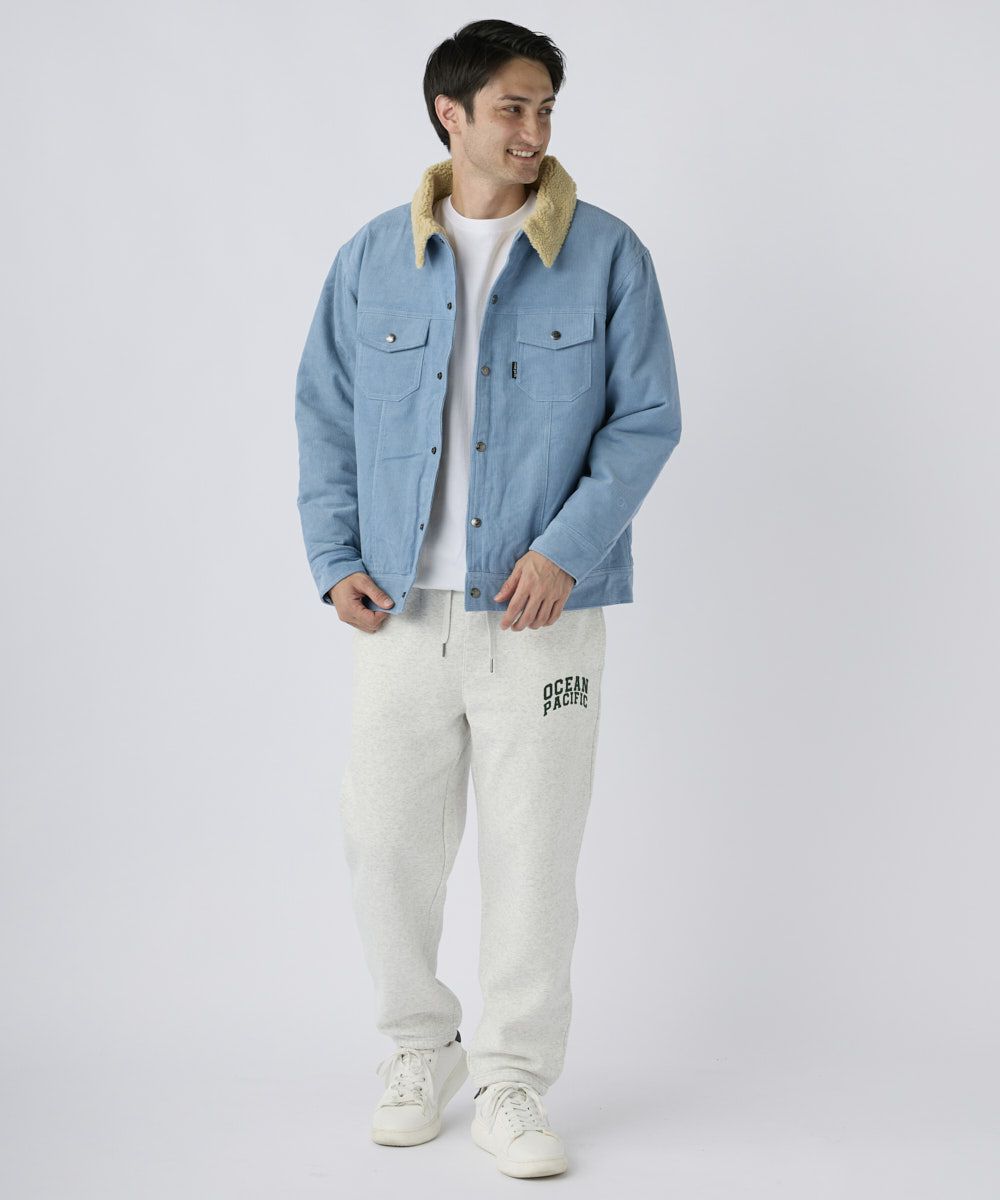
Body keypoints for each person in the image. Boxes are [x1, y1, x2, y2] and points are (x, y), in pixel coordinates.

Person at [294, 19, 681, 1180]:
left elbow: (646, 418)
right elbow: (323, 413)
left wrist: (566, 550)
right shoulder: (372, 258)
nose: (534, 130)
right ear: (448, 113)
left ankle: (513, 1079)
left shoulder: (605, 254)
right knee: (383, 845)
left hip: (541, 618)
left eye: (546, 108)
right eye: (513, 107)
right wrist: (333, 555)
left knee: (533, 856)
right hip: (400, 610)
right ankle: (422, 1045)